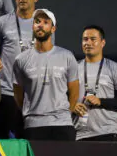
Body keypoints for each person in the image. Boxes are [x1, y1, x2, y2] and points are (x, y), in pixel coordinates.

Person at [12, 8, 78, 141]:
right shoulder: (21, 60)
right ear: (33, 26)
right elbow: (18, 95)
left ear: (53, 29)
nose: (40, 25)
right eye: (37, 21)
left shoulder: (67, 56)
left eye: (45, 22)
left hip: (62, 125)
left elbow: (74, 91)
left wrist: (64, 114)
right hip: (33, 125)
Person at [0, 0, 37, 139]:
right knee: (2, 142)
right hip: (6, 92)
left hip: (32, 94)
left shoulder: (43, 23)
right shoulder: (1, 22)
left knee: (28, 142)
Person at [74, 25, 117, 142]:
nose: (88, 43)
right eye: (85, 39)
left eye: (93, 39)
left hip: (107, 132)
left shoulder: (116, 68)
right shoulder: (73, 68)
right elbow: (61, 97)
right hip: (79, 134)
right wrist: (72, 106)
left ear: (102, 43)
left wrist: (101, 101)